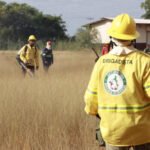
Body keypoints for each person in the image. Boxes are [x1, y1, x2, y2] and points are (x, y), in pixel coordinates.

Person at [84, 13, 150, 150]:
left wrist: (93, 111)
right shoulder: (145, 61)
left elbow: (90, 99)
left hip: (113, 132)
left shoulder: (101, 63)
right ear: (133, 38)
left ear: (112, 37)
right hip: (142, 132)